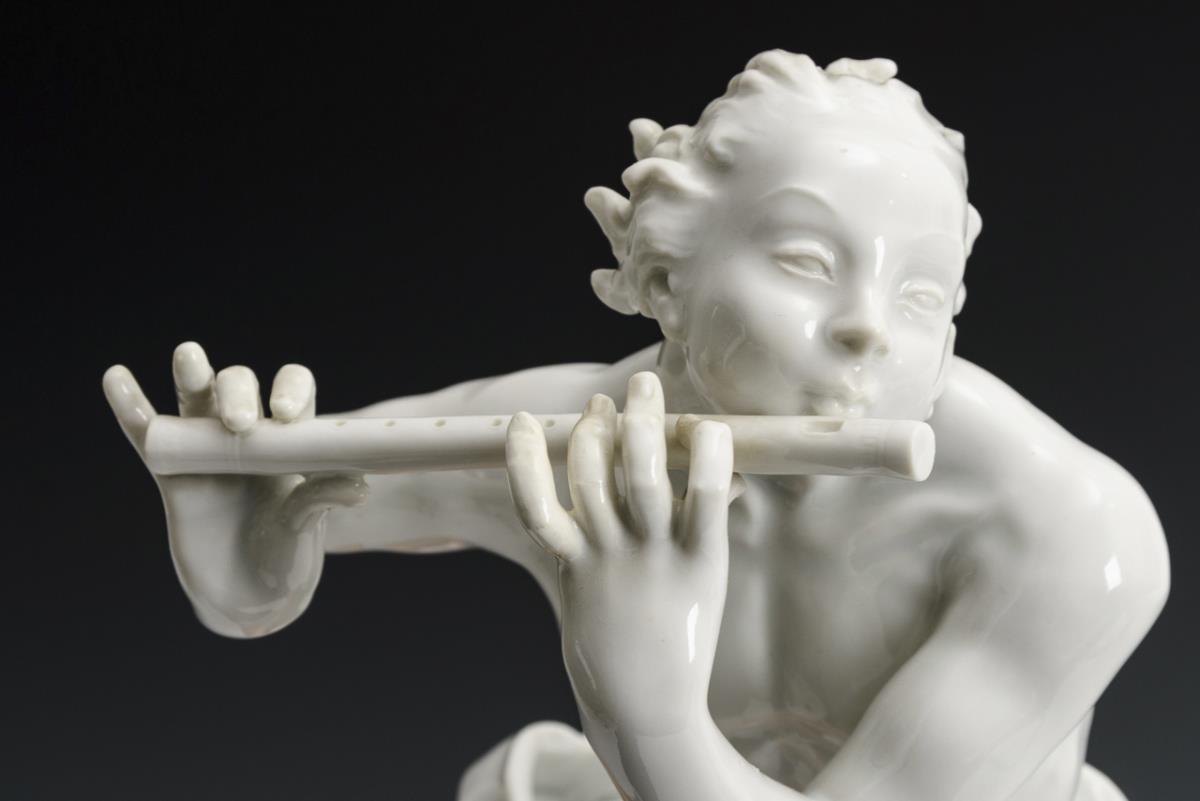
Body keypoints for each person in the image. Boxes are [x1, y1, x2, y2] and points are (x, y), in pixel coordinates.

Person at [104, 51, 1169, 801]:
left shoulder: (1067, 532)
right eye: (806, 261)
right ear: (664, 278)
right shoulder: (565, 445)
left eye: (922, 294)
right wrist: (243, 550)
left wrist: (647, 703)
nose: (866, 327)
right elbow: (273, 566)